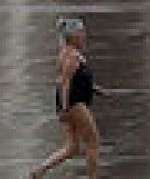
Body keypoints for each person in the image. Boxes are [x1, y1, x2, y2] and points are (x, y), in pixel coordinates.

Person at [31, 18, 107, 179]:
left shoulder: (71, 54)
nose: (84, 36)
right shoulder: (70, 56)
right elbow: (65, 82)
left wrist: (94, 89)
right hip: (74, 103)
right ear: (73, 36)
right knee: (93, 140)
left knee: (72, 147)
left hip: (70, 102)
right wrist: (65, 109)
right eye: (81, 33)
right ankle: (93, 176)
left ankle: (40, 171)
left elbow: (78, 79)